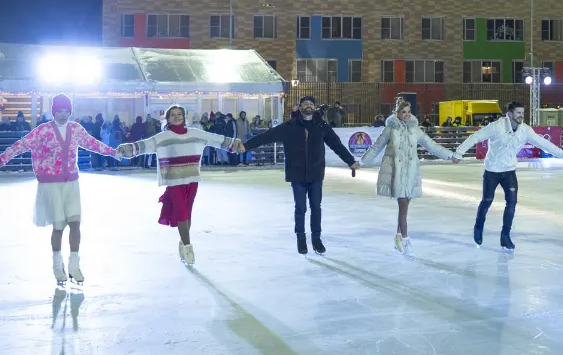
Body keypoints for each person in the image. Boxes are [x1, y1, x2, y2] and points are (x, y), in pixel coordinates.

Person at [0, 94, 117, 284]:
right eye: (60, 111)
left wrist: (114, 152)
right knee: (59, 226)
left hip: (72, 182)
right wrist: (2, 159)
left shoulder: (76, 129)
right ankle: (57, 265)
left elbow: (93, 144)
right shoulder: (43, 130)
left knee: (75, 223)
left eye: (66, 111)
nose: (63, 114)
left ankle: (74, 265)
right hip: (51, 184)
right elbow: (21, 145)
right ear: (54, 111)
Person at [115, 105, 243, 265]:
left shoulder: (196, 134)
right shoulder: (163, 137)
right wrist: (126, 149)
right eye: (173, 115)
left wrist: (235, 144)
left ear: (184, 117)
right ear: (168, 119)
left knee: (187, 213)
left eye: (179, 114)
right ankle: (188, 247)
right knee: (182, 213)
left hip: (192, 179)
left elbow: (215, 139)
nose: (177, 117)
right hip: (174, 181)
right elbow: (145, 145)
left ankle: (183, 241)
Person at [240, 96, 359, 255]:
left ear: (314, 107)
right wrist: (246, 146)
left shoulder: (321, 126)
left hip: (316, 173)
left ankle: (316, 239)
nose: (308, 106)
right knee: (300, 208)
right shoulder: (289, 126)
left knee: (316, 207)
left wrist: (350, 161)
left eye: (311, 104)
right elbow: (266, 136)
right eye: (305, 103)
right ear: (300, 107)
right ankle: (301, 239)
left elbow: (336, 144)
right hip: (297, 173)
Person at [454, 101, 563, 252]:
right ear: (510, 113)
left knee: (511, 204)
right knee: (487, 200)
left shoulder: (525, 130)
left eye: (522, 113)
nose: (521, 116)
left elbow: (543, 143)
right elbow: (475, 137)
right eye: (518, 113)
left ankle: (505, 236)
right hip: (492, 170)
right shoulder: (496, 127)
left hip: (509, 171)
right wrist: (459, 153)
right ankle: (479, 226)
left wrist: (562, 154)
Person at [359, 97, 460, 254]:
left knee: (404, 207)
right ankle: (406, 241)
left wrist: (450, 156)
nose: (406, 114)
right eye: (403, 112)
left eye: (408, 112)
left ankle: (398, 237)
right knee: (403, 207)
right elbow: (376, 147)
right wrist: (361, 162)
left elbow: (431, 145)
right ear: (397, 113)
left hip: (411, 173)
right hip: (397, 173)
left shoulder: (415, 129)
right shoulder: (390, 130)